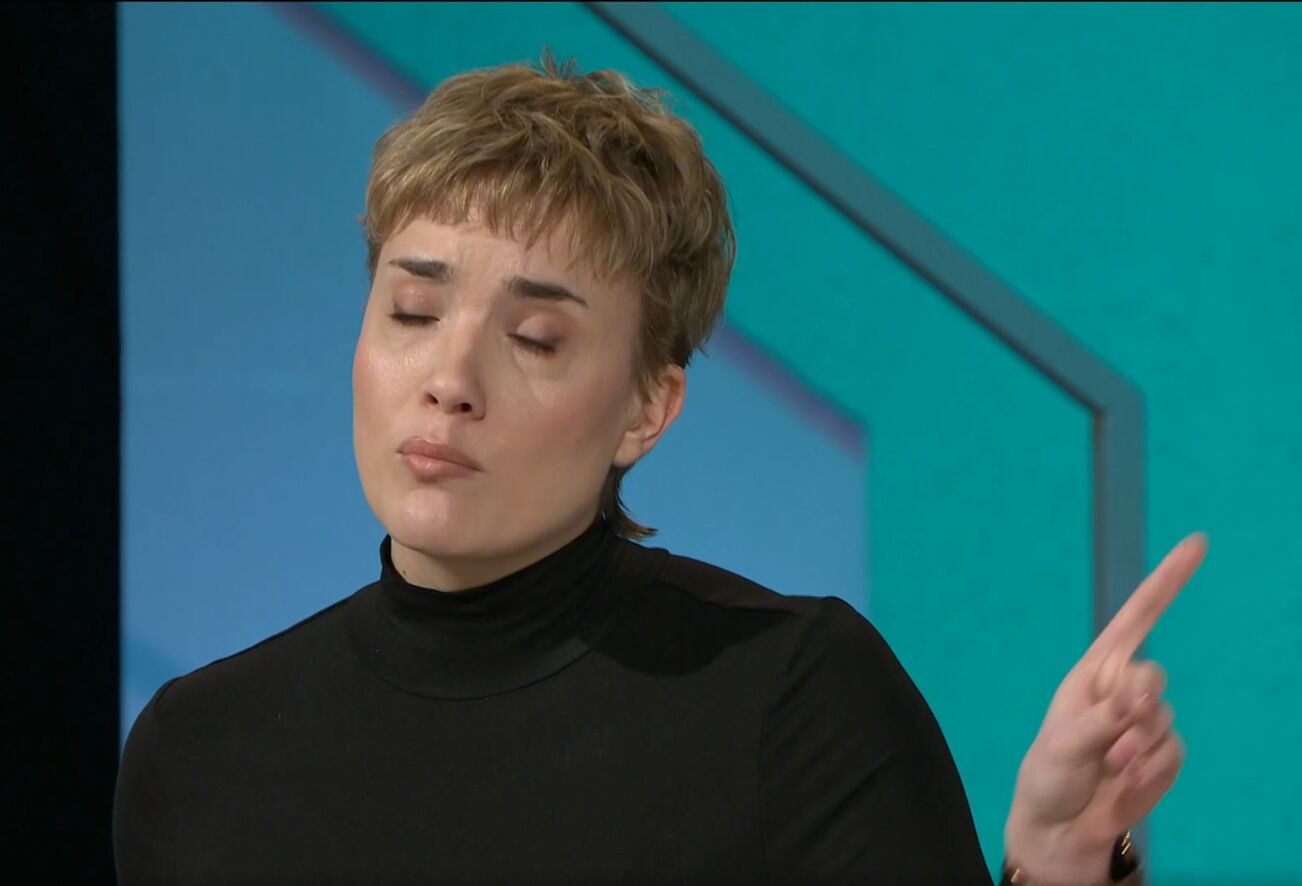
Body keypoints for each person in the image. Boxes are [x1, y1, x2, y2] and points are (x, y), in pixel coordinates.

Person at [113, 51, 1204, 886]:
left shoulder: (793, 697)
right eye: (412, 309)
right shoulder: (199, 749)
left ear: (648, 408)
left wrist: (1059, 868)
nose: (450, 380)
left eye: (535, 338)